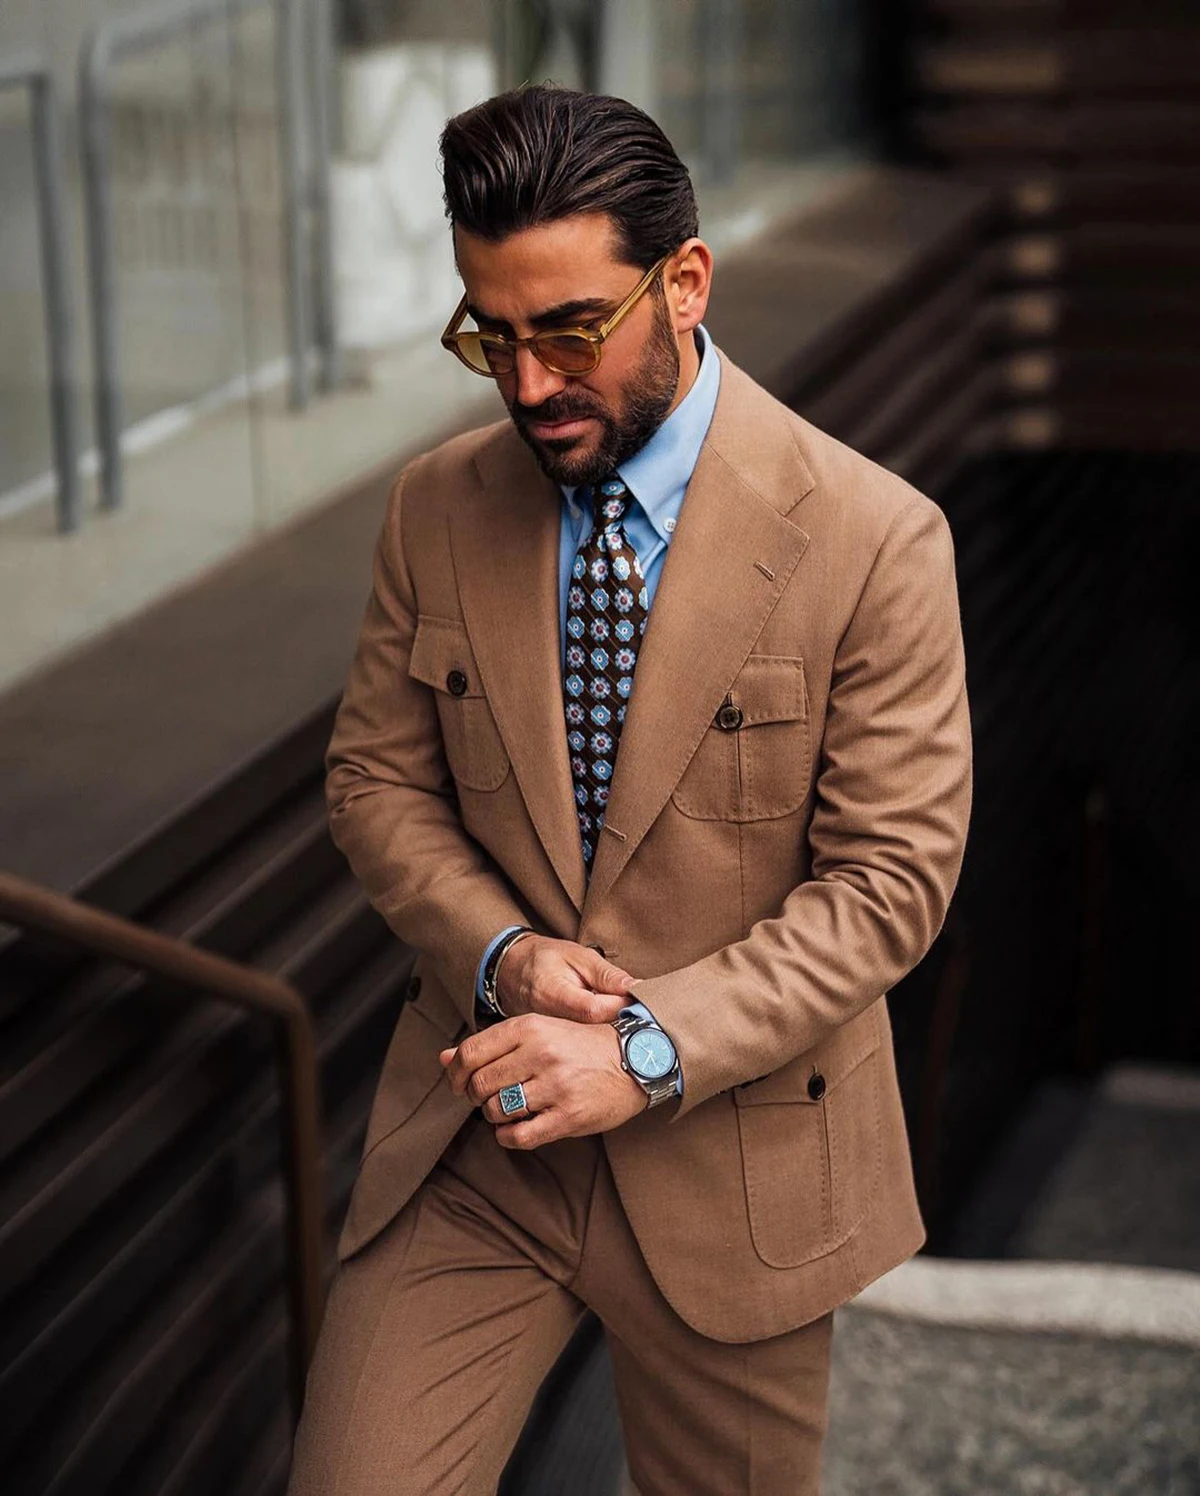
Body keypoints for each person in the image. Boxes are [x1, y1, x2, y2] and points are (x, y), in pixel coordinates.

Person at [286, 83, 972, 1496]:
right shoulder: (434, 507)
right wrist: (502, 952)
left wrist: (645, 1048)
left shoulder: (875, 538)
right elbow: (374, 781)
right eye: (494, 335)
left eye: (570, 330)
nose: (529, 385)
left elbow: (889, 884)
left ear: (686, 282)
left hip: (741, 1156)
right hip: (480, 1145)